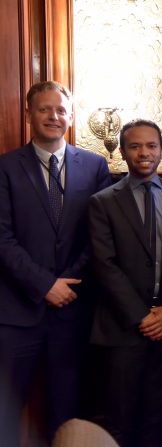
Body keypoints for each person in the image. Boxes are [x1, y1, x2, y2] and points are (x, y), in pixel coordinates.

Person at [0, 81, 111, 443]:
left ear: (71, 116)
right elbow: (2, 239)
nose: (53, 116)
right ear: (28, 114)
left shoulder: (95, 167)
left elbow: (100, 237)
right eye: (45, 109)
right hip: (17, 312)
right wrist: (45, 285)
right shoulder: (4, 168)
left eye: (61, 110)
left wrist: (68, 283)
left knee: (68, 411)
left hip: (73, 310)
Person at [88, 120, 162, 446]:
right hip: (123, 329)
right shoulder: (102, 202)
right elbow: (104, 266)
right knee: (121, 418)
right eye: (135, 146)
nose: (144, 153)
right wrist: (142, 316)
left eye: (151, 145)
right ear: (122, 152)